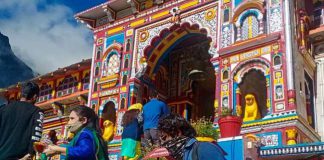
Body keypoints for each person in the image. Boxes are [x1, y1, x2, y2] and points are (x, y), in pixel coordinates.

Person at [43, 105, 108, 160]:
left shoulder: (85, 133)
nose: (69, 122)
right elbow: (72, 149)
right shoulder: (88, 133)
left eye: (72, 118)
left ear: (83, 120)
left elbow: (85, 152)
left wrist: (58, 149)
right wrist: (55, 149)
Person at [0, 82, 43, 160]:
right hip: (20, 157)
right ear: (35, 97)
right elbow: (36, 136)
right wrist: (30, 154)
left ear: (21, 94)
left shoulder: (3, 109)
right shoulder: (37, 112)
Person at [158, 114, 226, 160]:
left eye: (164, 138)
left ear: (178, 133)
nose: (162, 143)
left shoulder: (204, 149)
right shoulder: (180, 155)